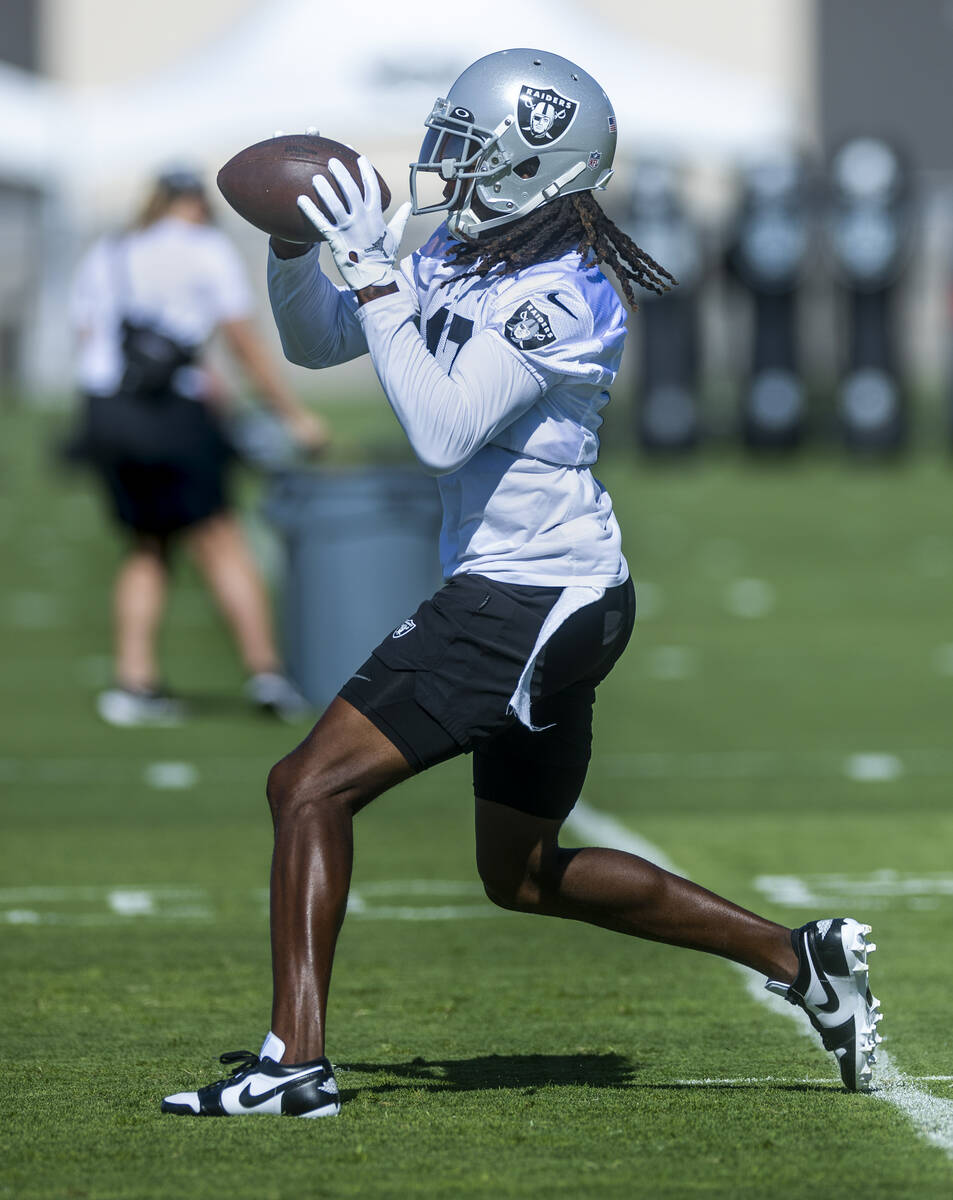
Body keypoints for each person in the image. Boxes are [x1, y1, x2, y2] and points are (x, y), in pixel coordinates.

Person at [161, 49, 881, 1118]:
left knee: (305, 785)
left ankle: (293, 1061)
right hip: (549, 591)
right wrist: (294, 248)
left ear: (534, 166)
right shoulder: (466, 247)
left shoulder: (566, 293)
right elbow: (319, 347)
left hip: (529, 594)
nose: (445, 166)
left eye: (469, 148)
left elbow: (445, 430)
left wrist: (370, 274)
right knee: (522, 874)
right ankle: (797, 959)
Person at [69, 167, 327, 725]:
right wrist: (293, 415)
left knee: (146, 545)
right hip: (172, 412)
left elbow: (88, 337)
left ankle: (133, 685)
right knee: (220, 537)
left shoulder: (110, 250)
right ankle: (267, 676)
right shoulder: (205, 249)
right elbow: (241, 339)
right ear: (197, 204)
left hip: (107, 414)